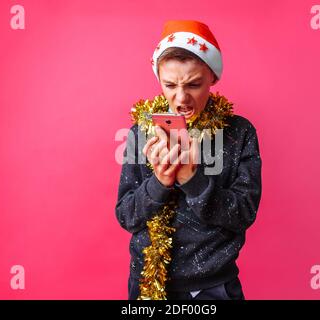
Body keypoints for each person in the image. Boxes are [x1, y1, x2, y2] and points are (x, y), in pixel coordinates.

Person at [115, 20, 262, 300]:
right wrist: (159, 182)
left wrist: (192, 179)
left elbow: (243, 214)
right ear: (158, 78)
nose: (181, 98)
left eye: (194, 84)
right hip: (149, 281)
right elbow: (127, 216)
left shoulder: (239, 133)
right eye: (169, 85)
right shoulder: (140, 132)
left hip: (215, 285)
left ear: (213, 78)